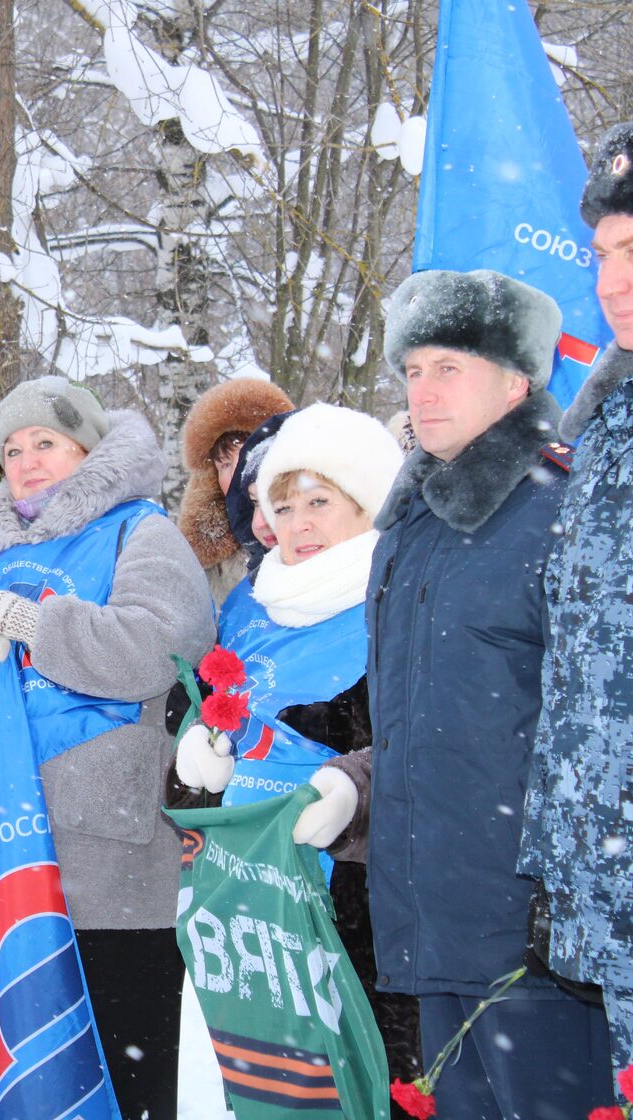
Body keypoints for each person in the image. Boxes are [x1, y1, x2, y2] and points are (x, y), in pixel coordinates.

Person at [284, 270, 611, 1117]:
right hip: (429, 927)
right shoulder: (411, 526)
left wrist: (565, 902)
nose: (423, 392)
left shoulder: (569, 511)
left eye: (450, 368)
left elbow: (605, 729)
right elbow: (428, 718)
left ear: (517, 381)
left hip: (537, 939)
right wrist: (357, 786)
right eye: (413, 370)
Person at [0, 376, 213, 1120]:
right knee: (24, 1088)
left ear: (89, 449)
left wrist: (36, 626)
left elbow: (163, 644)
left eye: (45, 442)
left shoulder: (140, 532)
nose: (27, 462)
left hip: (109, 868)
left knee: (119, 1085)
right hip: (4, 863)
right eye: (12, 451)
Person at [167, 402, 422, 1098]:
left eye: (319, 501)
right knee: (255, 1086)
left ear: (366, 502)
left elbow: (428, 750)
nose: (298, 523)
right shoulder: (249, 602)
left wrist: (351, 796)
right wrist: (197, 763)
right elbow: (206, 719)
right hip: (243, 896)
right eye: (282, 506)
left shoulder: (401, 593)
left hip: (358, 898)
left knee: (361, 1080)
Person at [519, 121, 633, 1072]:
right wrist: (563, 860)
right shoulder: (611, 422)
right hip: (616, 895)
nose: (611, 280)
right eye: (602, 254)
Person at [175, 378, 294, 600]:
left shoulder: (308, 529)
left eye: (243, 460)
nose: (234, 476)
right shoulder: (202, 559)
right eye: (224, 465)